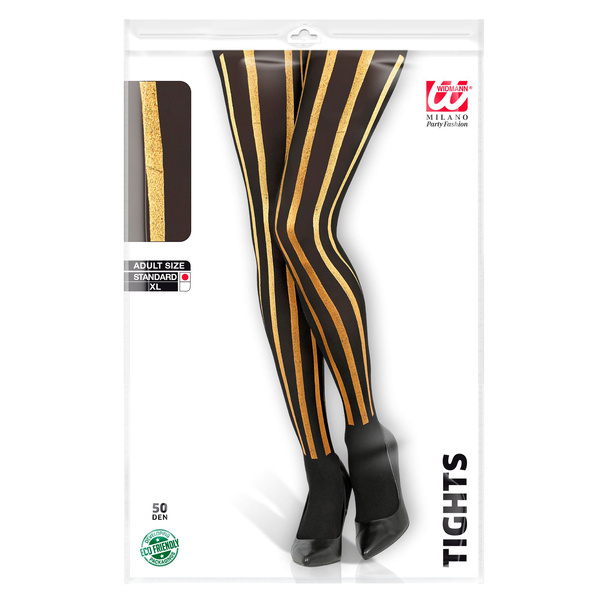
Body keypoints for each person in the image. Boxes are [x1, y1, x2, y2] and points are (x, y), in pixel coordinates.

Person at [214, 49, 409, 566]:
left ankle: (366, 441)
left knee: (300, 225)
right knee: (272, 240)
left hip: (359, 22)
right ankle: (322, 468)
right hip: (252, 27)